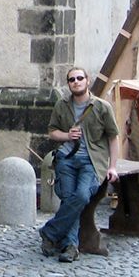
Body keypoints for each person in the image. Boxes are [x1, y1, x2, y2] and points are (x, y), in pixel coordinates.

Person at [39, 67, 119, 263]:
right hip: (66, 159)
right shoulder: (61, 105)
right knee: (69, 198)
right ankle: (70, 247)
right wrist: (66, 135)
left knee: (82, 195)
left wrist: (113, 166)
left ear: (87, 80)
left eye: (79, 78)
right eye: (72, 79)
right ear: (68, 84)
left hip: (91, 162)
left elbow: (113, 137)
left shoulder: (102, 107)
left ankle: (50, 232)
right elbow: (52, 132)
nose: (76, 81)